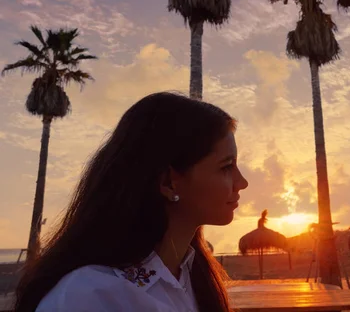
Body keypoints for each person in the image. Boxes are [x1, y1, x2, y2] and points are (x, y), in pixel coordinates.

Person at [15, 92, 248, 312]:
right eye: (226, 167)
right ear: (168, 183)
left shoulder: (191, 276)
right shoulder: (90, 295)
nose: (242, 182)